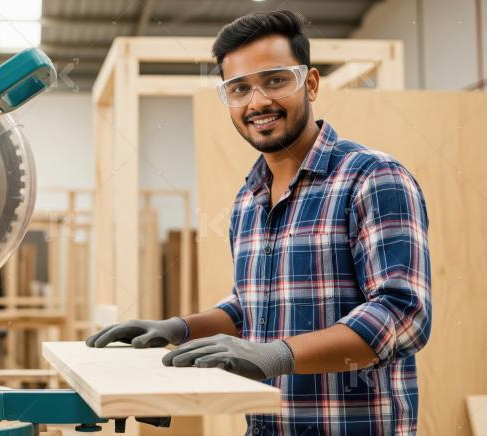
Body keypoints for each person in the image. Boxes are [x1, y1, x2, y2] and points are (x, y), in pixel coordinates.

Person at [86, 10, 431, 435]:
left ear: (311, 83)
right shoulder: (248, 200)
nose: (257, 102)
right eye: (239, 88)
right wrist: (179, 329)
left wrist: (277, 355)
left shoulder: (373, 178)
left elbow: (403, 315)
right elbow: (252, 307)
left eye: (275, 80)